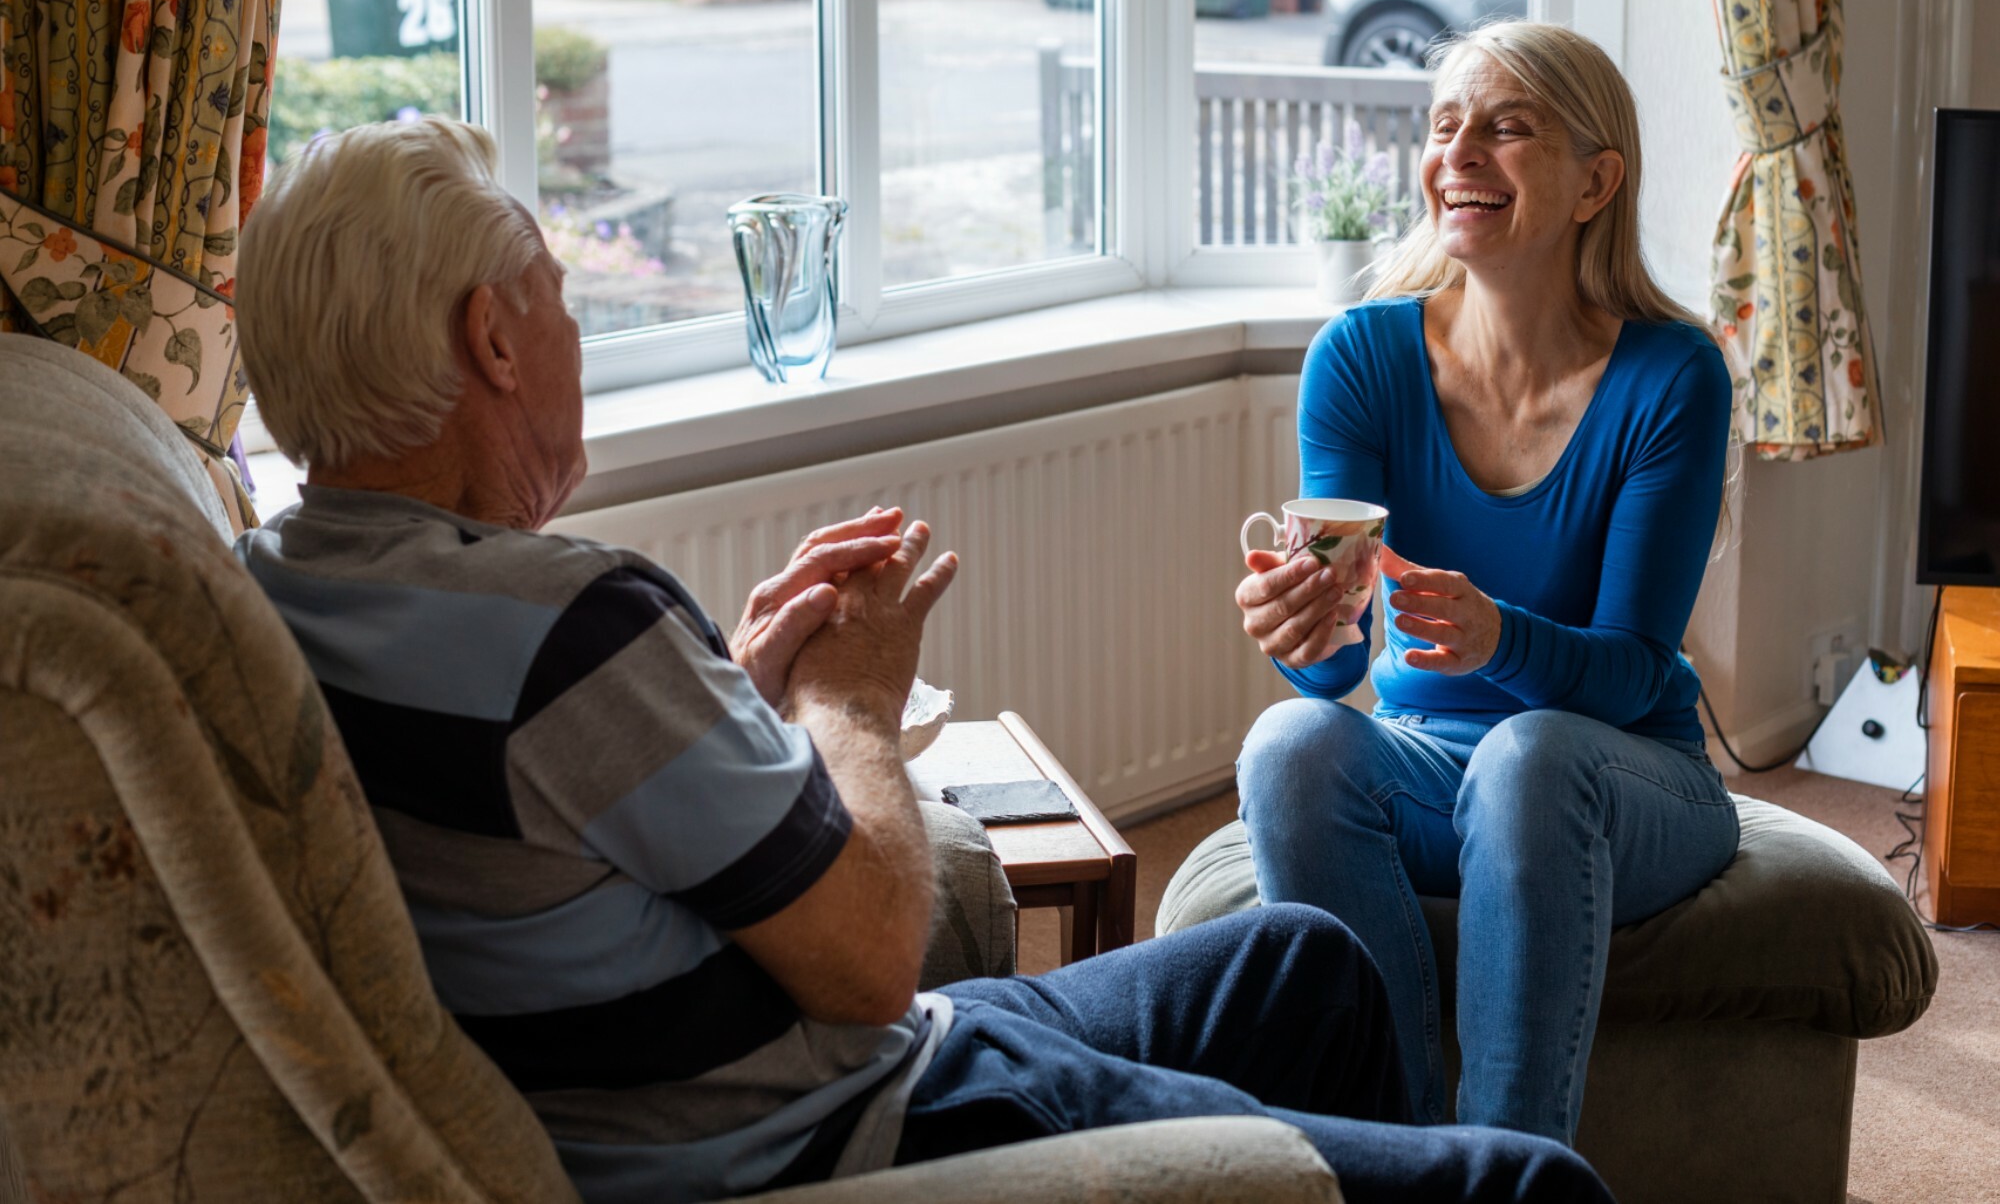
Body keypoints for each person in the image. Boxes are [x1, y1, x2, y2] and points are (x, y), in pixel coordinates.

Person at [233, 117, 1611, 1204]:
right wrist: (853, 703)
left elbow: (545, 811)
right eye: (556, 305)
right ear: (490, 339)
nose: (574, 339)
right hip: (855, 1127)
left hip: (810, 1080)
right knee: (1526, 1185)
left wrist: (733, 682)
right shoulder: (569, 622)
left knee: (1300, 963)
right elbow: (872, 957)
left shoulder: (278, 583)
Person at [1234, 20, 1739, 1147]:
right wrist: (1298, 625)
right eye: (1443, 125)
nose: (1457, 154)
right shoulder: (1360, 358)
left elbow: (1630, 673)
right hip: (1427, 767)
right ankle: (1399, 1157)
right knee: (1286, 745)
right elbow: (1336, 674)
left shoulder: (1672, 376)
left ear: (1593, 182)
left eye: (1506, 130)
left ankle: (1510, 1174)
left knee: (1529, 752)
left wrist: (1498, 639)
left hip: (1626, 775)